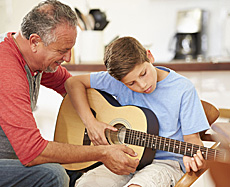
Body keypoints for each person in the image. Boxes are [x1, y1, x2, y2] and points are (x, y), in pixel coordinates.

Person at [0, 1, 139, 186]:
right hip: (12, 158)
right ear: (35, 42)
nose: (68, 58)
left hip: (12, 156)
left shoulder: (31, 57)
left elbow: (71, 85)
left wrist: (95, 121)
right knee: (53, 174)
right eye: (62, 50)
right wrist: (103, 153)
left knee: (75, 170)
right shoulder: (7, 68)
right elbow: (33, 151)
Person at [64, 36, 210, 187]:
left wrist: (193, 156)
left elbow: (192, 140)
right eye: (131, 83)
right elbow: (72, 83)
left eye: (143, 73)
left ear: (149, 56)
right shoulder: (117, 81)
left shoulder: (183, 88)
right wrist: (91, 124)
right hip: (123, 158)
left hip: (166, 163)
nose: (142, 85)